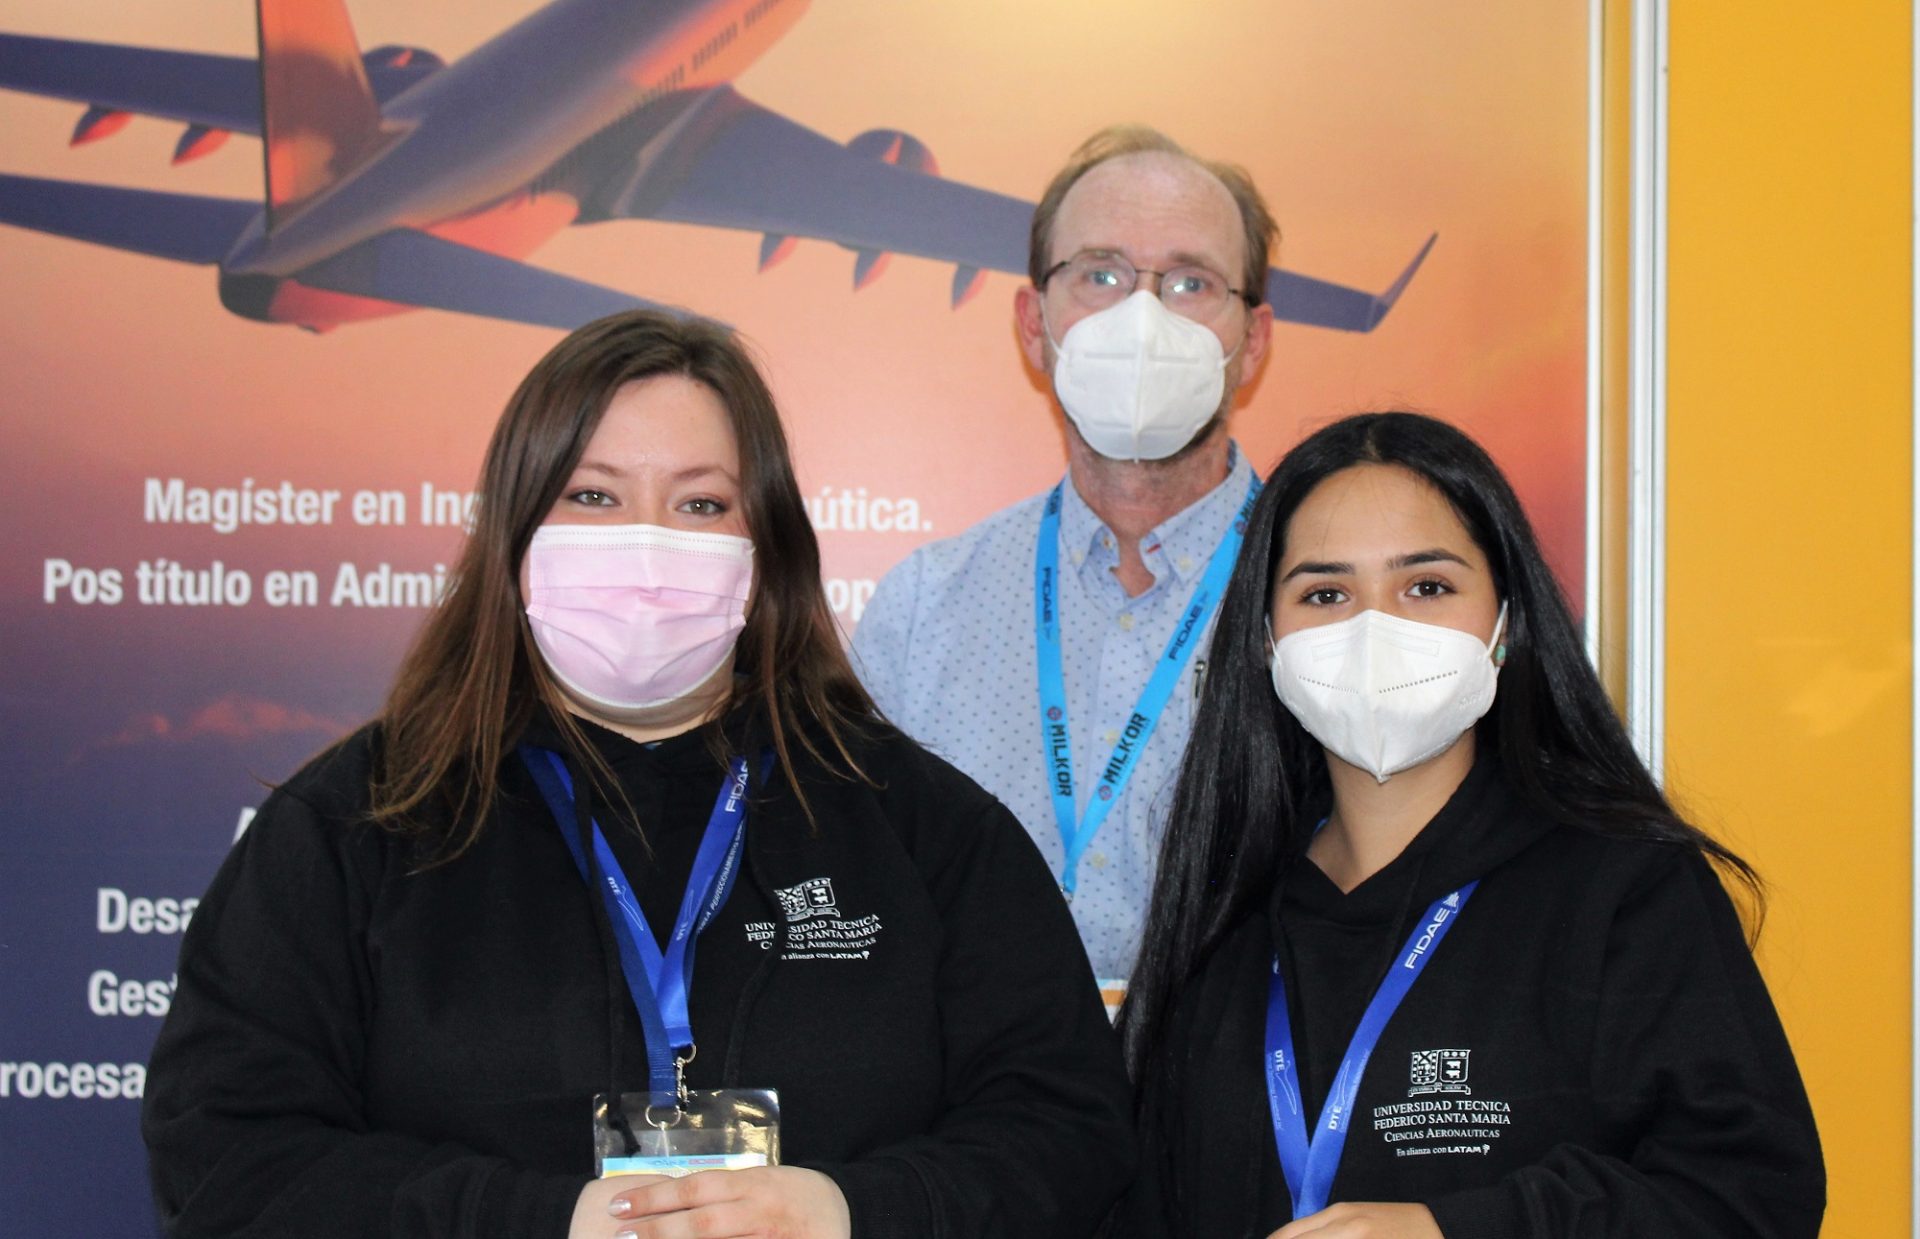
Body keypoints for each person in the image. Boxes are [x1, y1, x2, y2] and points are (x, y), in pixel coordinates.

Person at [142, 310, 1134, 1239]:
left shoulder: (922, 827)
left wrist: (851, 1213)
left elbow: (1067, 1130)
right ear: (515, 532)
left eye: (701, 503)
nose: (649, 545)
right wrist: (543, 1223)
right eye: (593, 496)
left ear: (765, 548)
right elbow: (227, 1151)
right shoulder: (357, 824)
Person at [1113, 412, 1824, 1237]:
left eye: (1426, 586)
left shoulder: (1624, 889)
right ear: (1267, 640)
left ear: (1506, 623)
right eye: (1326, 594)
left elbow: (1749, 1195)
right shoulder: (1223, 906)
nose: (1374, 629)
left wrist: (1454, 1229)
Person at [852, 125, 1276, 986]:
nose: (1142, 319)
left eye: (1191, 282)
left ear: (1253, 342)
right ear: (1033, 326)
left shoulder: (1325, 599)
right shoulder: (922, 612)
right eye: (1101, 275)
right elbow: (863, 904)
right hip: (990, 1071)